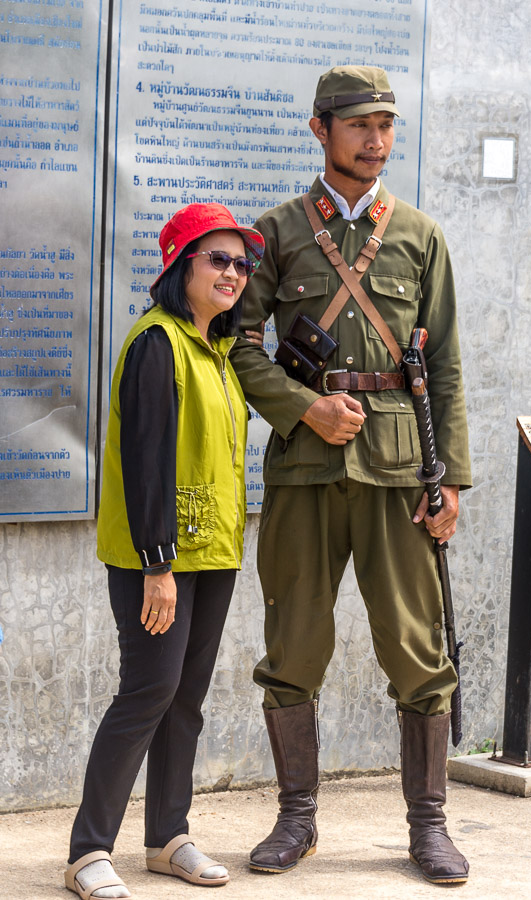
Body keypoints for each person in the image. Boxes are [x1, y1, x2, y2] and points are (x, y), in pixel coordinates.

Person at [230, 66, 472, 885]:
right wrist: (305, 409)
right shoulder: (276, 233)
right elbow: (240, 346)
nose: (375, 140)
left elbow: (444, 367)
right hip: (304, 468)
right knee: (293, 643)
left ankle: (429, 827)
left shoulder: (420, 237)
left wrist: (454, 482)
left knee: (416, 648)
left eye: (386, 125)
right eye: (359, 124)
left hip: (402, 468)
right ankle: (296, 819)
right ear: (320, 130)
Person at [64, 203, 264, 900]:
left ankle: (167, 837)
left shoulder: (218, 350)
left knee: (186, 697)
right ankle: (89, 851)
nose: (234, 273)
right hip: (160, 556)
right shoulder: (157, 343)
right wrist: (157, 564)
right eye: (219, 259)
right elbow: (146, 459)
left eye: (242, 263)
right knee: (147, 691)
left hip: (213, 551)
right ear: (181, 265)